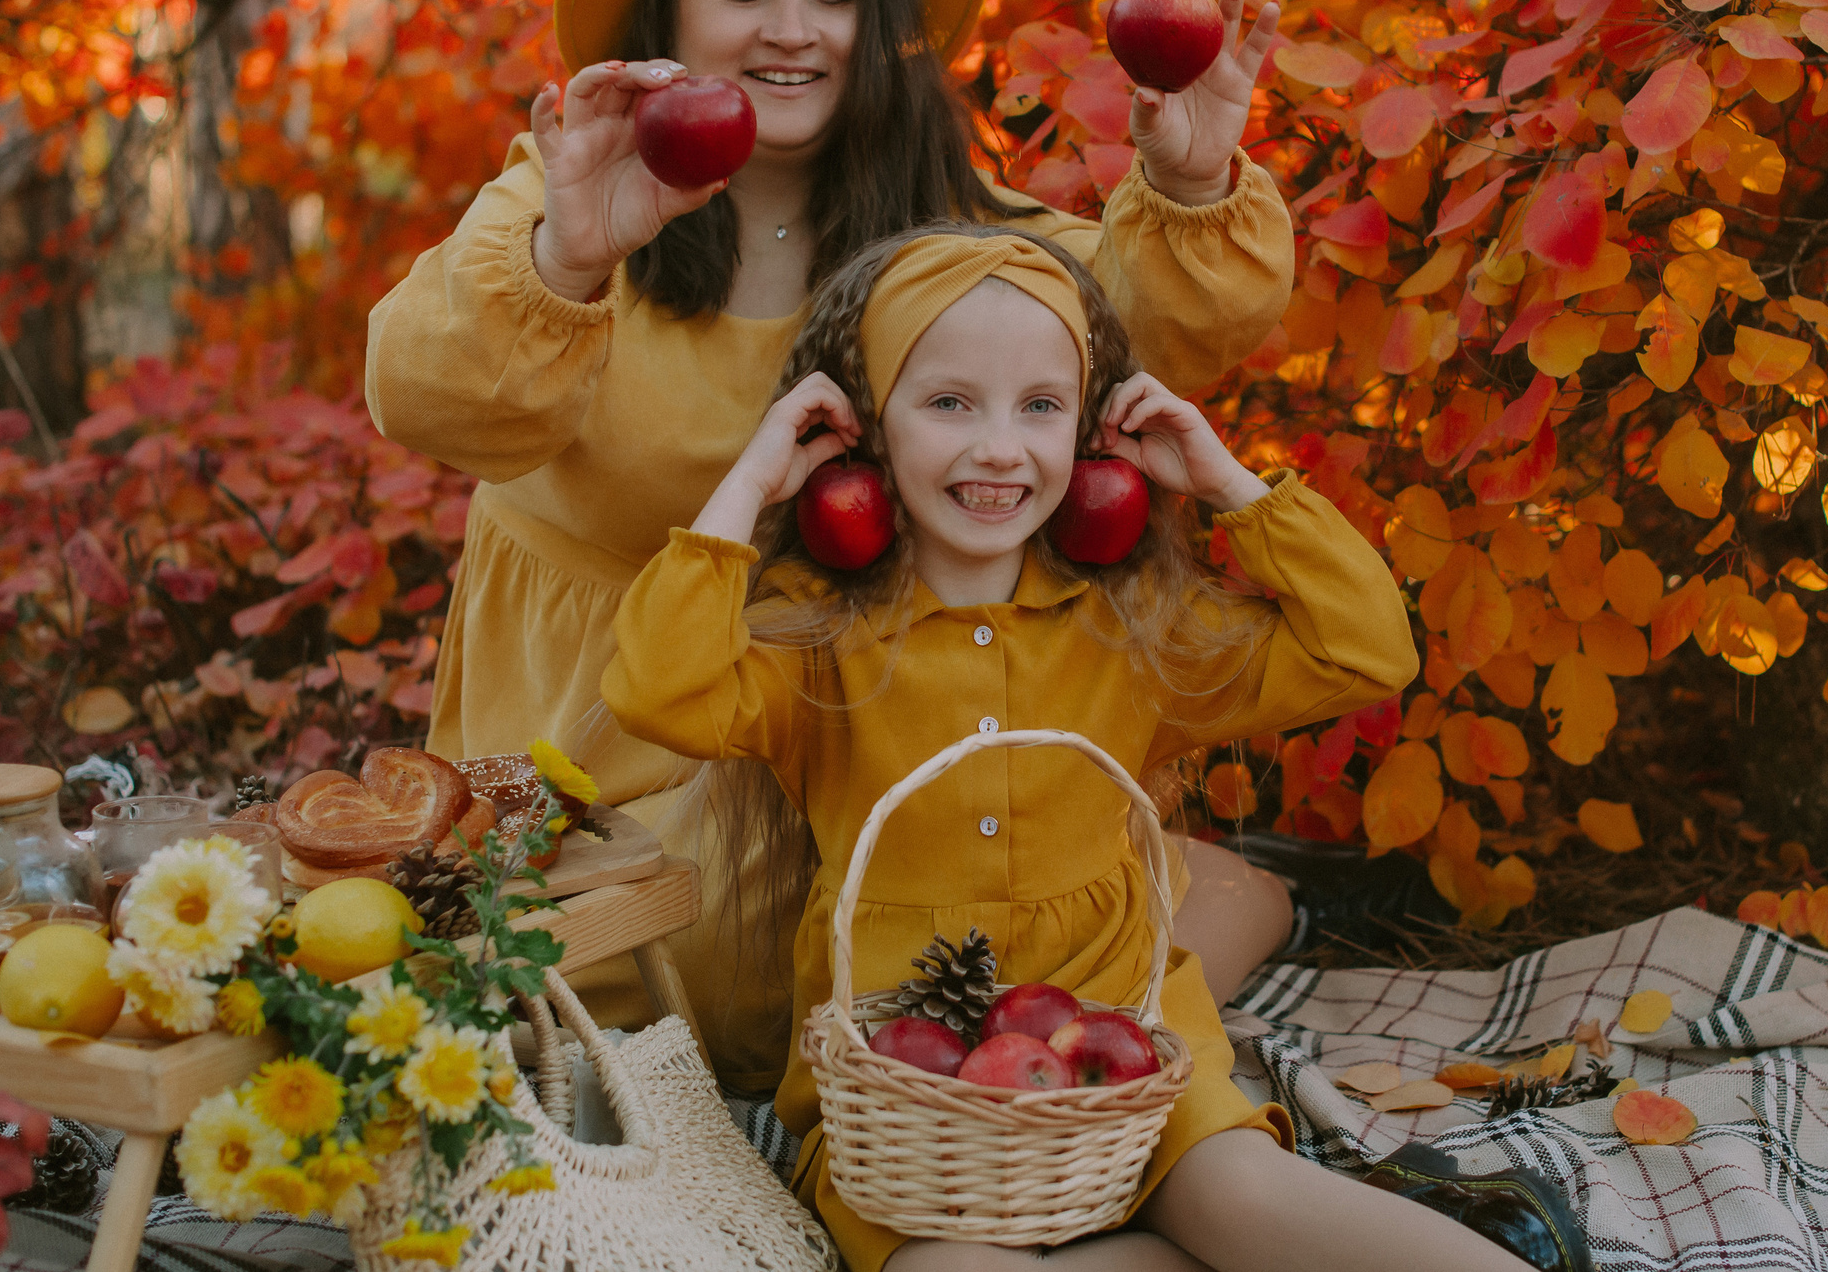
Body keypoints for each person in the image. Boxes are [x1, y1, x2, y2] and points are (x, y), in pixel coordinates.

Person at [364, 0, 1297, 1090]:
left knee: (1086, 904)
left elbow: (1143, 330)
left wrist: (1188, 183)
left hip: (877, 740)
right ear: (668, 15)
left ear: (886, 24)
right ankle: (1090, 986)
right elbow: (427, 395)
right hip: (622, 753)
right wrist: (573, 252)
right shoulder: (572, 185)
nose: (793, 28)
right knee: (719, 961)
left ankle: (1116, 992)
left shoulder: (952, 227)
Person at [600, 225, 1584, 1272]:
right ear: (864, 423)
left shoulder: (1133, 625)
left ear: (1089, 427)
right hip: (908, 1086)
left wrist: (1224, 480)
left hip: (1123, 1039)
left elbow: (1367, 650)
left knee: (1242, 1192)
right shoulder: (819, 634)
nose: (1000, 447)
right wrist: (753, 478)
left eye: (1041, 406)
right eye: (948, 403)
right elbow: (657, 691)